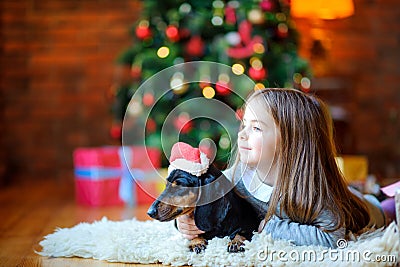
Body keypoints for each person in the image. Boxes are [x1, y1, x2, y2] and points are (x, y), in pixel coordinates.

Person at [176, 88, 387, 248]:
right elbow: (204, 199)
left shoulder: (313, 192)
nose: (242, 134)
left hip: (364, 209)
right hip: (349, 194)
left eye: (256, 128)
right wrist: (185, 221)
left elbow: (332, 238)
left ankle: (383, 195)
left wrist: (271, 228)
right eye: (244, 125)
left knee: (384, 206)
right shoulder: (237, 176)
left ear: (292, 143)